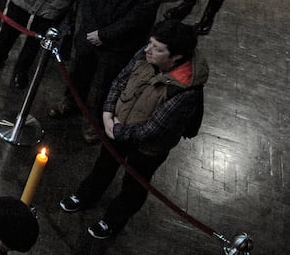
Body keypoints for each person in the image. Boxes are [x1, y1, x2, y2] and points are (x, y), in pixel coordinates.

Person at [59, 20, 208, 240]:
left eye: (157, 48)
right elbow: (120, 81)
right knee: (104, 165)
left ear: (175, 57)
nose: (148, 50)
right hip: (119, 125)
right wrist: (108, 113)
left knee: (134, 185)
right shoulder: (146, 54)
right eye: (150, 43)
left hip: (147, 147)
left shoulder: (186, 90)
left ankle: (113, 221)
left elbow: (154, 128)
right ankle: (86, 196)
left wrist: (115, 130)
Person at [51, 0, 168, 144]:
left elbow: (142, 12)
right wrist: (91, 28)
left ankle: (96, 123)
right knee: (80, 71)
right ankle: (71, 102)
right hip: (91, 33)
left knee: (107, 84)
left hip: (119, 42)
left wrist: (105, 35)